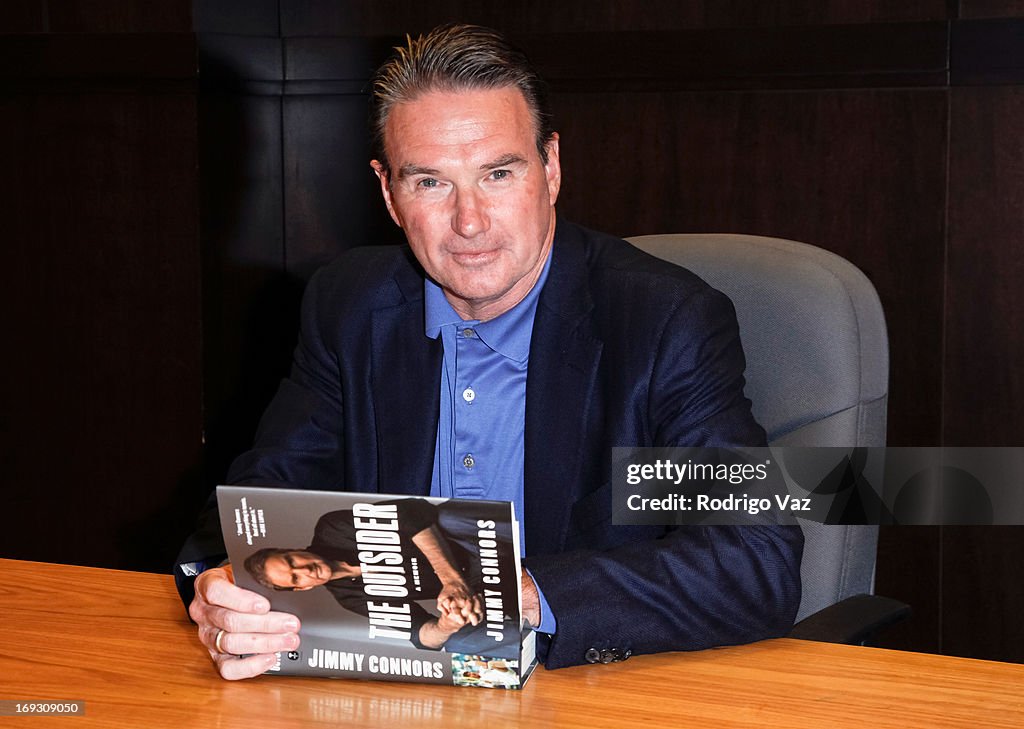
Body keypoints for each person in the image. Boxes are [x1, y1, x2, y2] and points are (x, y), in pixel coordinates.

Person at [179, 23, 803, 680]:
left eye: (497, 173)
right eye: (430, 183)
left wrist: (519, 593)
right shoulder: (351, 308)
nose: (469, 221)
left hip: (585, 695)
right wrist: (223, 586)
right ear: (389, 192)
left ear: (551, 167)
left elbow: (754, 556)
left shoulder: (660, 324)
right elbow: (253, 503)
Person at [241, 498, 521, 655]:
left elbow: (413, 512)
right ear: (301, 590)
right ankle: (533, 636)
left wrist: (450, 580)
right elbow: (421, 636)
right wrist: (448, 623)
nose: (303, 571)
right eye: (294, 579)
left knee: (444, 514)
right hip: (485, 591)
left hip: (472, 537)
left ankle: (530, 523)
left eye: (292, 561)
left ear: (293, 549)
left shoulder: (331, 528)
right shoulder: (349, 598)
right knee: (455, 642)